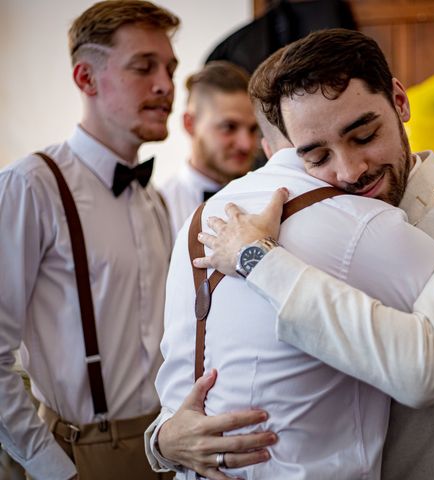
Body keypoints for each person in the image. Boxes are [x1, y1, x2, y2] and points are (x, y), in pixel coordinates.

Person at [148, 29, 434, 480]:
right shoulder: (282, 221)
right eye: (317, 154)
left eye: (364, 136)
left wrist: (259, 262)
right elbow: (220, 363)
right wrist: (165, 439)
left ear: (400, 103)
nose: (350, 171)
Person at [0, 2, 267, 479]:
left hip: (163, 443)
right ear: (86, 78)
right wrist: (54, 470)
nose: (165, 85)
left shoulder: (154, 201)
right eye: (144, 68)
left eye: (169, 68)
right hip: (77, 451)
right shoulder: (31, 186)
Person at [160, 61, 260, 237]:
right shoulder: (160, 207)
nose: (246, 144)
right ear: (190, 124)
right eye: (229, 127)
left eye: (253, 129)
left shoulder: (268, 198)